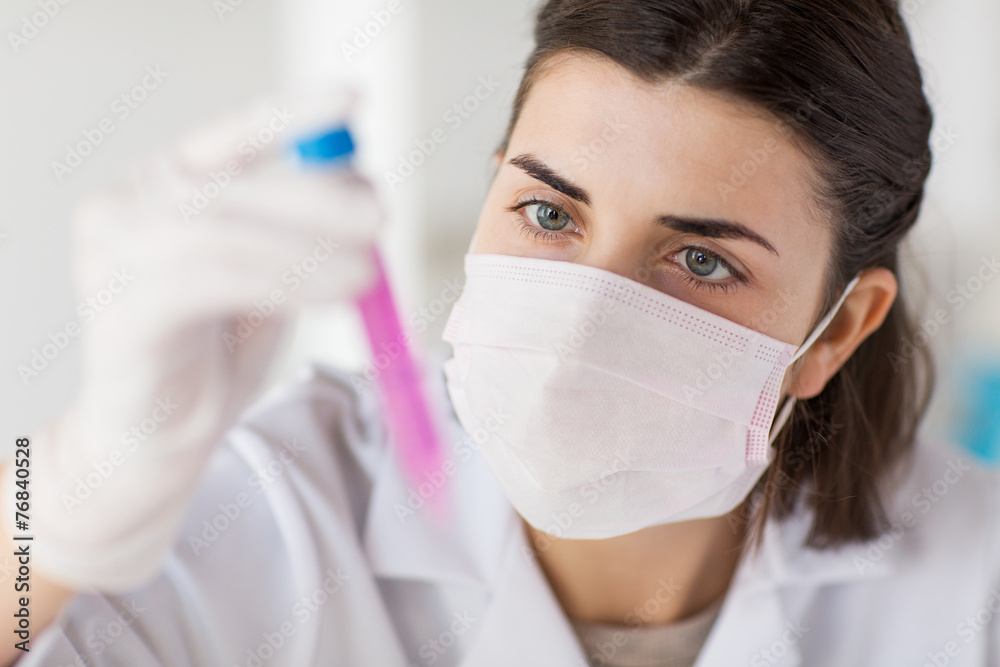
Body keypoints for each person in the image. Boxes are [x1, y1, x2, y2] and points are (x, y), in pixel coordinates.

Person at [3, 0, 999, 665]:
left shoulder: (973, 578)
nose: (578, 324)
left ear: (836, 331)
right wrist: (46, 521)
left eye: (700, 260)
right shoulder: (275, 507)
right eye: (551, 213)